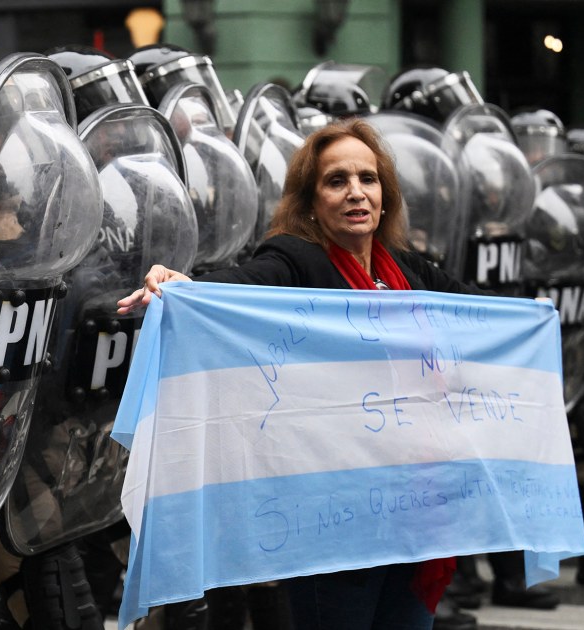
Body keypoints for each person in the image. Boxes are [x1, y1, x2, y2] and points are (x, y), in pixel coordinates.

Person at [118, 117, 493, 629]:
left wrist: (536, 318)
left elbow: (483, 317)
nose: (355, 192)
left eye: (368, 178)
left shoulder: (407, 270)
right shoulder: (296, 260)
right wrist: (185, 287)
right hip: (332, 523)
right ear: (311, 201)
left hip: (415, 514)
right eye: (336, 181)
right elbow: (245, 285)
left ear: (386, 194)